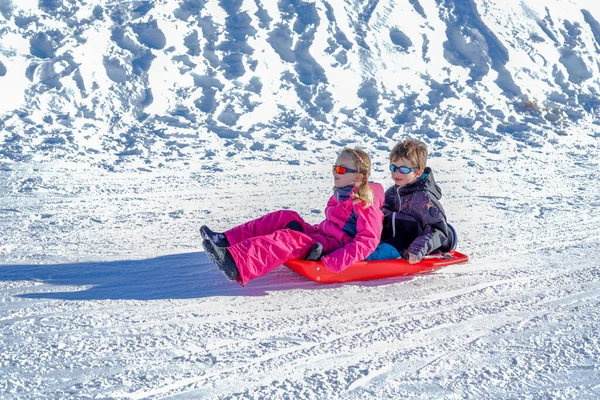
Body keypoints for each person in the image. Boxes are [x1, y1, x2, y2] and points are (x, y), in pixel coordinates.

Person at [201, 148, 385, 286]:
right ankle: (225, 240)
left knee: (287, 238)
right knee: (285, 216)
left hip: (335, 247)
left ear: (358, 177)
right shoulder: (342, 192)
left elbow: (368, 241)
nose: (336, 172)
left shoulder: (365, 202)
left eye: (342, 170)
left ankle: (235, 262)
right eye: (335, 168)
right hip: (324, 235)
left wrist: (332, 262)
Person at [366, 138, 456, 263]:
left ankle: (359, 264)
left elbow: (437, 229)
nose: (396, 173)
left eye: (403, 170)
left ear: (418, 172)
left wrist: (417, 249)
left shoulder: (423, 198)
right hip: (395, 239)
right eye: (393, 167)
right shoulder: (393, 193)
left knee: (380, 252)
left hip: (415, 244)